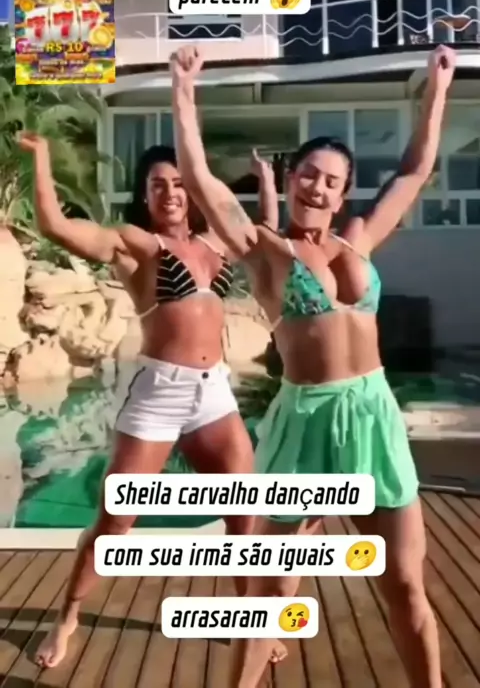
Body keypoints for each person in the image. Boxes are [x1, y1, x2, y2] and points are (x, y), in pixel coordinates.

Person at [169, 43, 456, 688]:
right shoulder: (266, 250)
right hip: (306, 423)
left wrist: (437, 91)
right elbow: (201, 182)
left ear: (342, 192)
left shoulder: (360, 240)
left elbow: (414, 172)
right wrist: (183, 91)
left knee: (404, 583)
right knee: (269, 595)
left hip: (373, 415)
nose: (316, 185)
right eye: (307, 173)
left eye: (330, 179)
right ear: (291, 177)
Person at [16, 133, 278, 669]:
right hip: (159, 393)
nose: (171, 193)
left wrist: (267, 183)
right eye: (158, 185)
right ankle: (67, 617)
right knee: (116, 523)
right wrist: (41, 159)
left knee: (245, 516)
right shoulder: (136, 244)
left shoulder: (214, 243)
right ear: (145, 194)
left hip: (213, 394)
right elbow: (56, 226)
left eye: (179, 183)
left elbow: (262, 232)